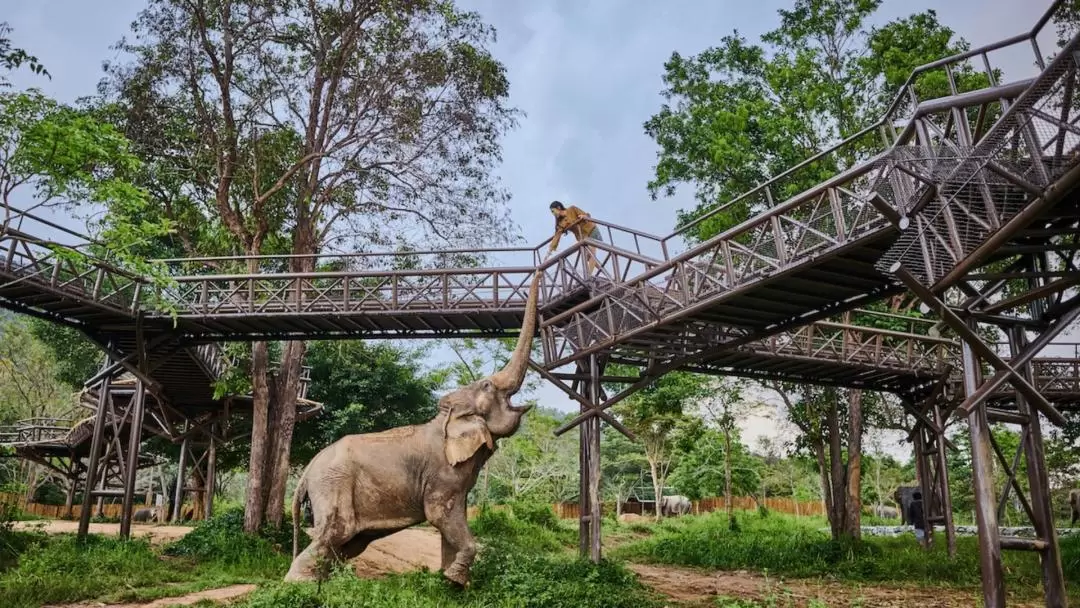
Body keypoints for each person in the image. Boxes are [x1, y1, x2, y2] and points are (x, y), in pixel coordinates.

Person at [546, 201, 602, 273]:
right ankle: (603, 271)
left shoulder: (572, 209)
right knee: (587, 256)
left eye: (553, 211)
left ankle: (589, 276)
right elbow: (557, 236)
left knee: (592, 252)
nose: (553, 214)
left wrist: (583, 216)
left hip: (590, 229)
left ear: (558, 208)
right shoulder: (561, 223)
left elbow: (586, 215)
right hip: (582, 237)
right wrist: (550, 250)